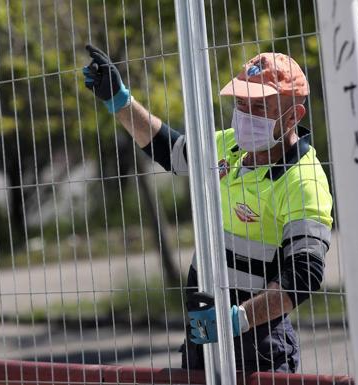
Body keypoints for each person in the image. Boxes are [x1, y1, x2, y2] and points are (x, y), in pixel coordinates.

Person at [82, 45, 332, 373]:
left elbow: (303, 277)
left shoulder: (304, 180)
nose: (245, 114)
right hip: (202, 328)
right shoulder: (228, 144)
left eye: (259, 106)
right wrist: (119, 100)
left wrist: (234, 321)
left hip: (258, 342)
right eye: (241, 103)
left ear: (293, 116)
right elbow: (169, 150)